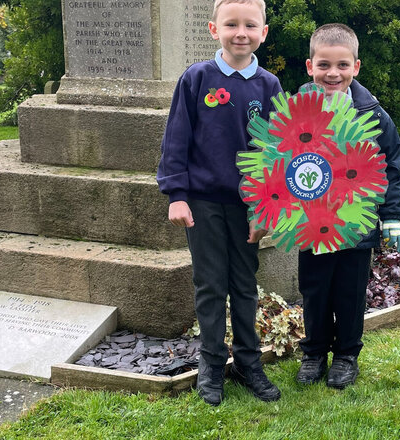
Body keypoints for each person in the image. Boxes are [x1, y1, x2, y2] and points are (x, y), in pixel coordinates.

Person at [156, 0, 283, 406]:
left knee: (245, 285)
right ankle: (211, 364)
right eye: (231, 24)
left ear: (263, 32)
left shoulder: (270, 86)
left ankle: (248, 363)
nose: (240, 32)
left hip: (248, 206)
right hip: (204, 202)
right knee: (211, 285)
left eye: (250, 25)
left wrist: (266, 207)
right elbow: (176, 138)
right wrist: (177, 194)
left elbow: (277, 152)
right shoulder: (196, 79)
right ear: (214, 29)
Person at [296, 23, 400, 389]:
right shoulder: (295, 112)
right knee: (315, 291)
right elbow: (277, 162)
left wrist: (391, 216)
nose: (333, 73)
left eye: (342, 65)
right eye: (324, 65)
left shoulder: (374, 116)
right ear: (310, 66)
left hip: (357, 224)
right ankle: (313, 354)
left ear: (356, 67)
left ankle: (346, 356)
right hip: (312, 223)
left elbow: (391, 165)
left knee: (349, 292)